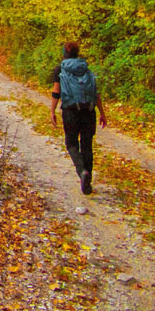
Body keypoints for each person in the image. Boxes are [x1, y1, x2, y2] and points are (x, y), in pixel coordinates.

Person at [50, 41, 107, 195]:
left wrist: (52, 110)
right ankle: (87, 181)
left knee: (71, 143)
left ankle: (82, 172)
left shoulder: (60, 69)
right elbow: (96, 93)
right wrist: (102, 113)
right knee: (87, 145)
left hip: (70, 111)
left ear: (64, 54)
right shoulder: (86, 69)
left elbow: (56, 92)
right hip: (89, 111)